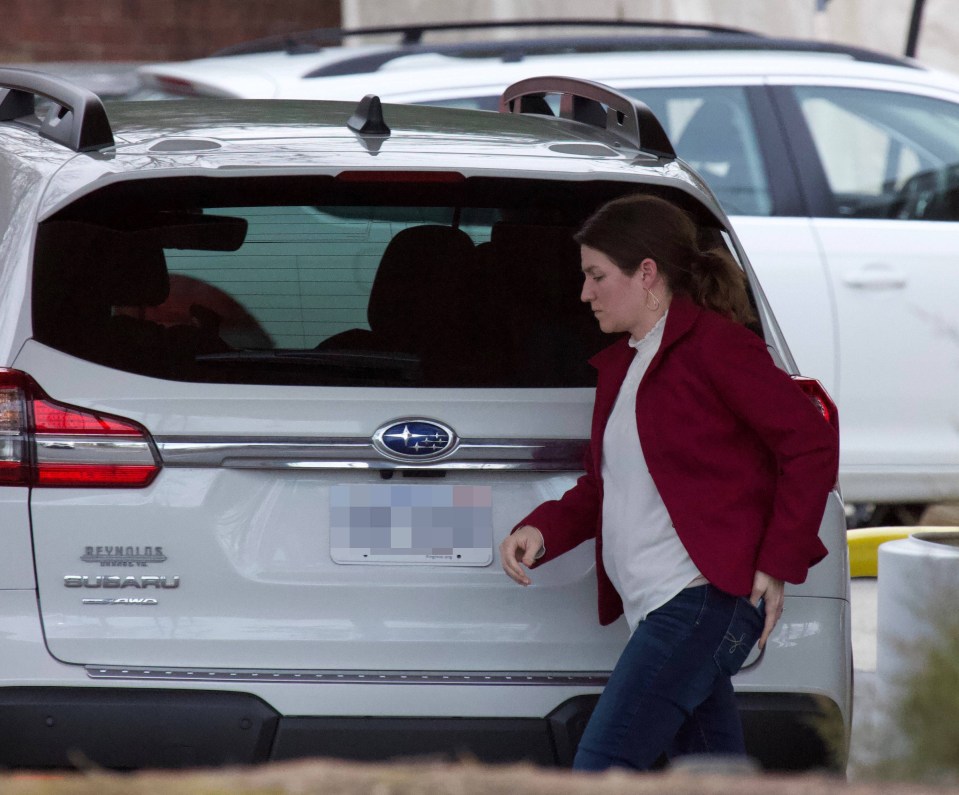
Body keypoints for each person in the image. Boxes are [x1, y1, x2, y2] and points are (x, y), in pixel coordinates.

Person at [499, 194, 839, 771]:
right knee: (712, 774)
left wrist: (777, 560)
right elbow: (607, 486)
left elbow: (809, 441)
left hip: (703, 602)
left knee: (599, 772)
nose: (585, 293)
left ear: (647, 274)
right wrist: (543, 528)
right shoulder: (626, 366)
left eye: (597, 275)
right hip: (664, 607)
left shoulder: (716, 347)